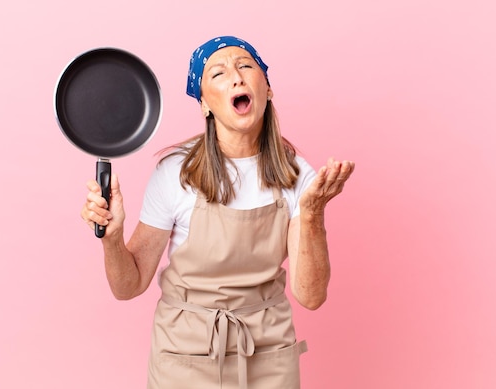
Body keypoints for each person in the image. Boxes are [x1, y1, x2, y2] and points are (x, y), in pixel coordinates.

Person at [81, 36, 355, 389]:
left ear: (267, 89)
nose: (237, 77)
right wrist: (113, 238)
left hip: (267, 351)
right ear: (205, 105)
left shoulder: (298, 175)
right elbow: (128, 286)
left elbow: (311, 297)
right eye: (218, 73)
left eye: (245, 66)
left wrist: (313, 215)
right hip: (184, 354)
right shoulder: (175, 173)